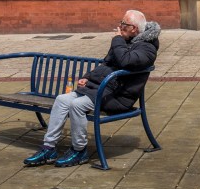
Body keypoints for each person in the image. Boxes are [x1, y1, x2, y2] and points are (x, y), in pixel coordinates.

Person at [23, 9, 160, 167]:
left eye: (124, 24)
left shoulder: (147, 48)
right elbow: (106, 64)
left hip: (118, 97)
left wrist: (117, 40)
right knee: (61, 100)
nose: (120, 26)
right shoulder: (125, 40)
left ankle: (79, 151)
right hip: (102, 89)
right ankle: (48, 148)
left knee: (77, 105)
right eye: (121, 23)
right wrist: (87, 77)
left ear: (134, 28)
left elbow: (125, 61)